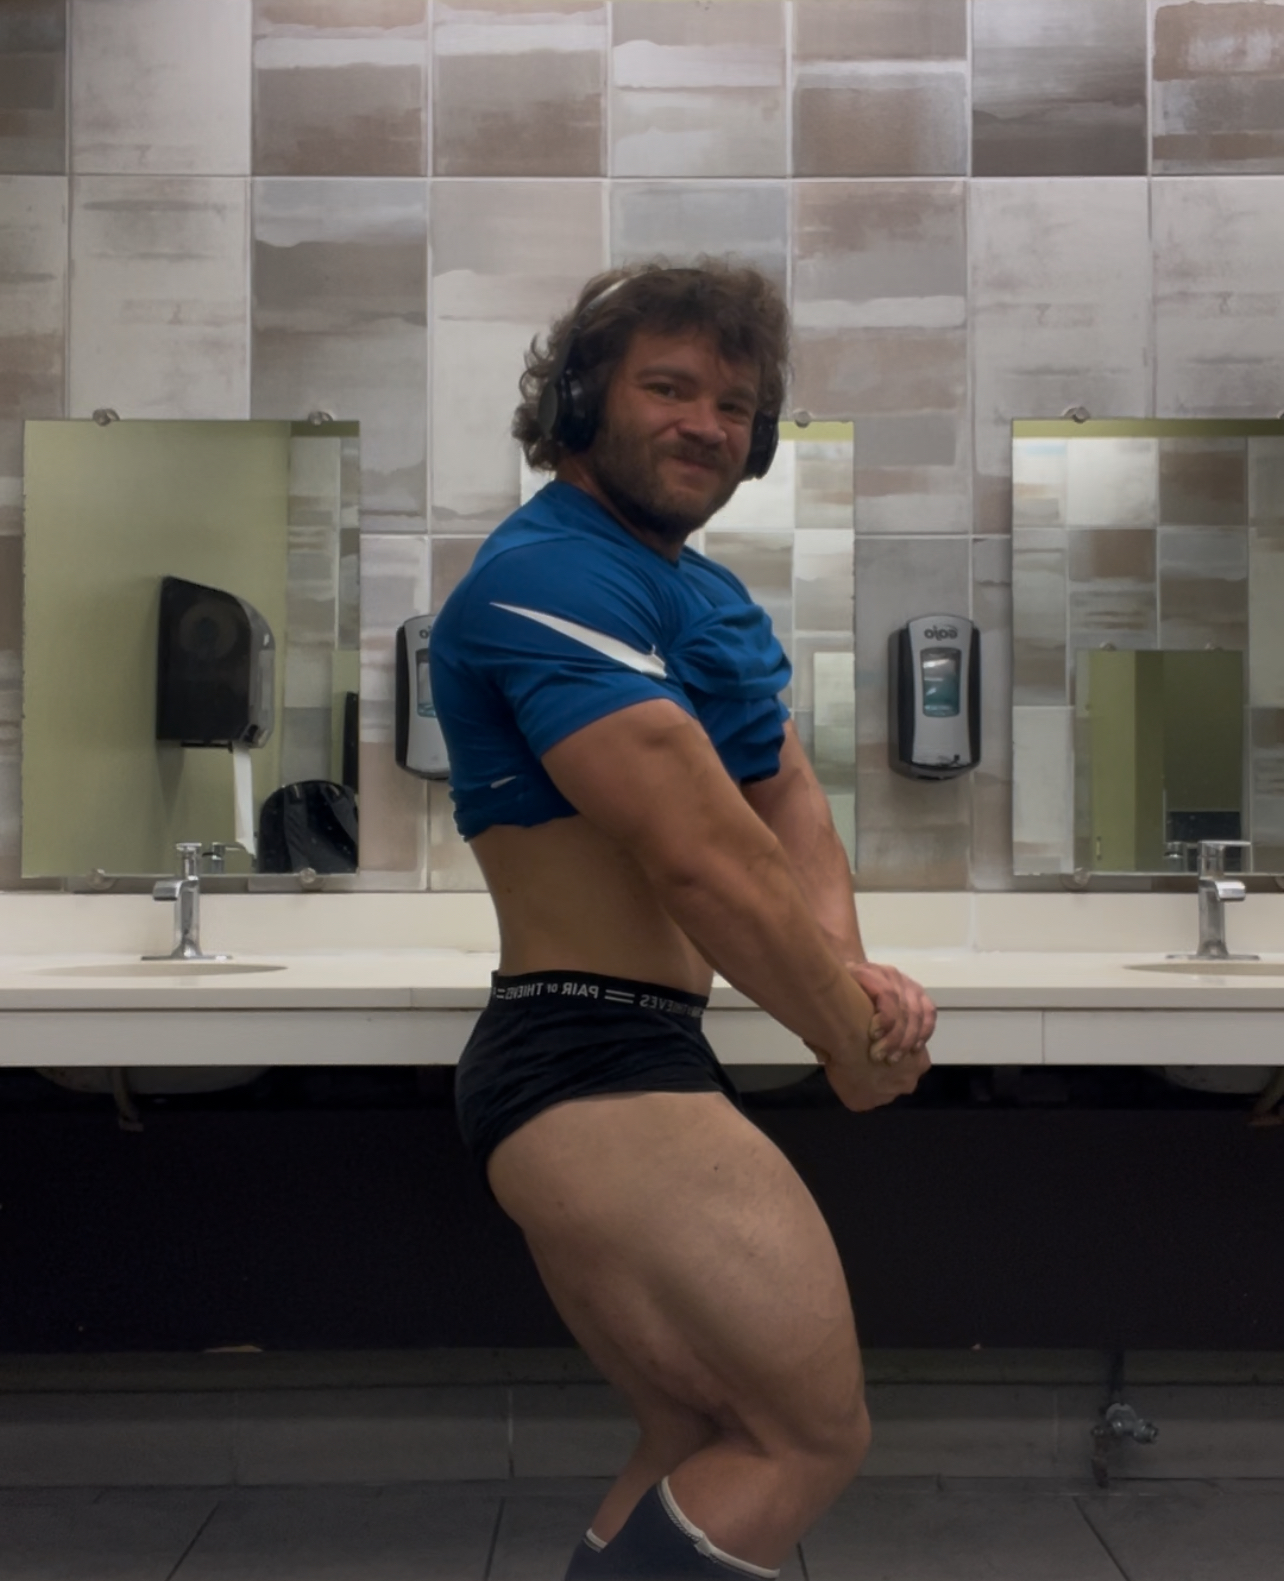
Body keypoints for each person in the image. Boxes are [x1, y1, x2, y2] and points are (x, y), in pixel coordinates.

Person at [429, 258, 936, 1580]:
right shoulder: (546, 573)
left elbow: (785, 795)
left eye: (735, 405)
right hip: (584, 1054)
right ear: (582, 401)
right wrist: (847, 1043)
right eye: (669, 388)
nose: (706, 423)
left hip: (641, 1048)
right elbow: (700, 856)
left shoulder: (705, 598)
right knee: (805, 1437)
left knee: (707, 1429)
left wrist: (847, 970)